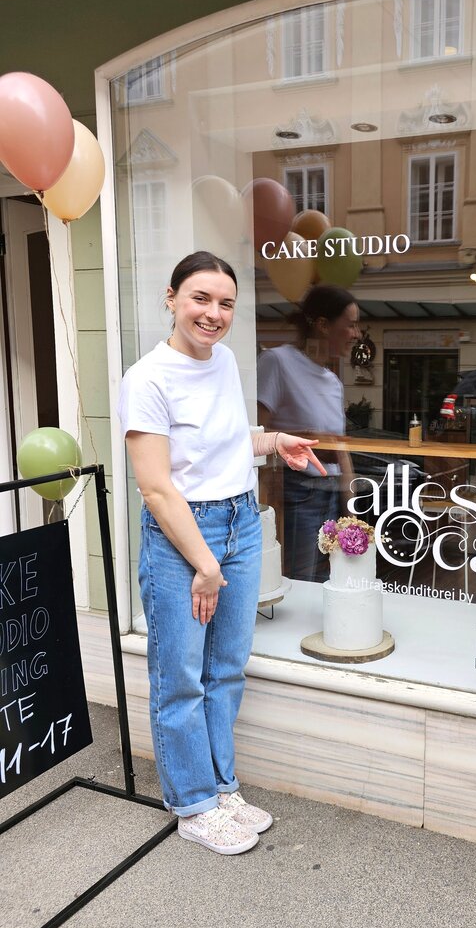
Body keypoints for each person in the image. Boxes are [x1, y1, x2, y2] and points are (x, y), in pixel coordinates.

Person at [118, 251, 326, 855]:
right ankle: (192, 803)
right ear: (172, 298)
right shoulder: (147, 378)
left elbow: (226, 442)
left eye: (226, 303)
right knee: (180, 677)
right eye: (200, 298)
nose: (213, 313)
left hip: (240, 522)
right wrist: (204, 565)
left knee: (227, 669)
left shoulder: (226, 361)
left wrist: (274, 441)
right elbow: (156, 486)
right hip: (183, 536)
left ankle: (220, 785)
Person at [257, 284, 359, 581]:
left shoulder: (333, 381)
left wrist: (351, 512)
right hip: (296, 490)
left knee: (331, 578)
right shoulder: (277, 362)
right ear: (324, 325)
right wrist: (305, 438)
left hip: (331, 491)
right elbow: (254, 433)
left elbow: (340, 450)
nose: (356, 334)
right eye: (350, 325)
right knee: (299, 579)